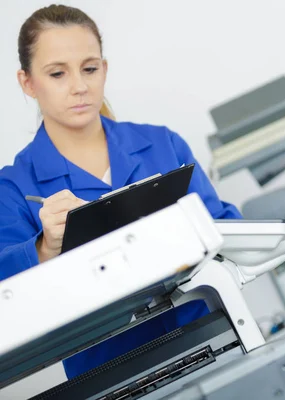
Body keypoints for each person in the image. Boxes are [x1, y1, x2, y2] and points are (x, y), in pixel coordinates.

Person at [0, 4, 240, 379]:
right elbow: (7, 297)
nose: (80, 86)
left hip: (214, 341)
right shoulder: (14, 187)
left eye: (90, 68)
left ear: (104, 70)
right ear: (27, 82)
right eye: (57, 73)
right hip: (111, 377)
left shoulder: (163, 145)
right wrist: (45, 248)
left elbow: (224, 228)